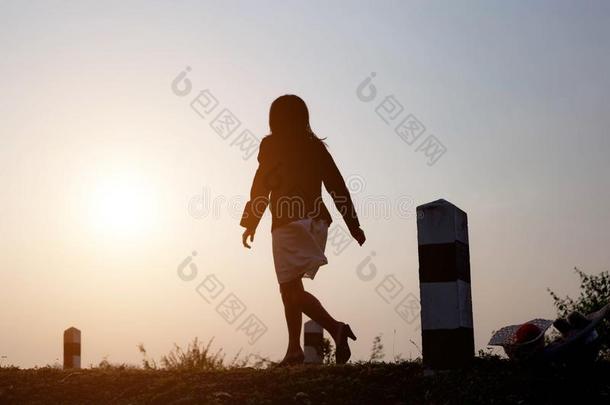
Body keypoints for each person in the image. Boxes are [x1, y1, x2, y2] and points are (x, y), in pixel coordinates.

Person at [240, 94, 366, 365]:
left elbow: (262, 184)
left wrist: (251, 221)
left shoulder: (271, 145)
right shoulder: (315, 147)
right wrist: (353, 225)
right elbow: (337, 186)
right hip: (317, 222)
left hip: (289, 223)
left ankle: (335, 328)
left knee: (290, 289)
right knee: (290, 287)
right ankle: (294, 349)